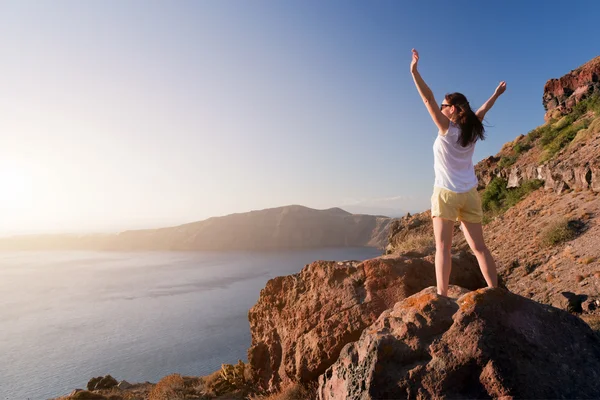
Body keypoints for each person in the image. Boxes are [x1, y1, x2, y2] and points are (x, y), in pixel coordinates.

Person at [410, 48, 506, 296]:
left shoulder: (447, 129)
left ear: (452, 109)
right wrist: (496, 94)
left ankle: (442, 296)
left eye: (445, 105)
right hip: (470, 194)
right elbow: (483, 110)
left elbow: (427, 99)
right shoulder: (471, 129)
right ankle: (495, 291)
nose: (441, 107)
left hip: (446, 194)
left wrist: (414, 72)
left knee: (443, 248)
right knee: (480, 248)